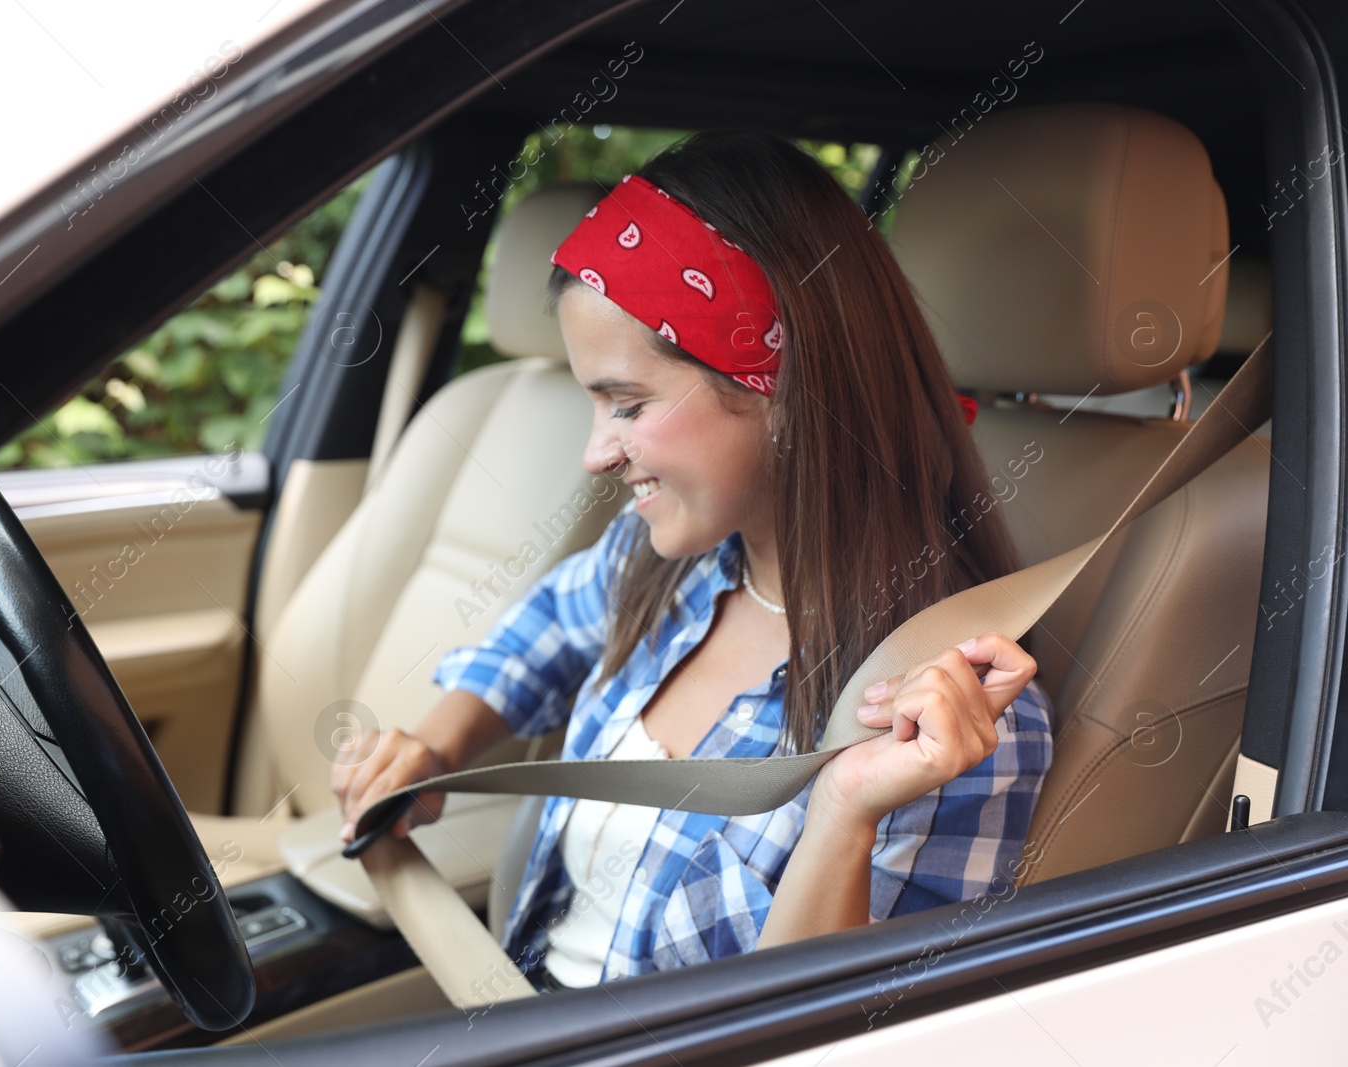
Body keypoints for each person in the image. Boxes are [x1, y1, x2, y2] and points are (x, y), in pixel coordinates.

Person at [332, 129, 1053, 991]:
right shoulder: (660, 564)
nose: (596, 453)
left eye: (627, 404)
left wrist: (844, 811)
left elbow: (846, 1033)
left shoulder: (950, 718)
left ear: (781, 388)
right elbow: (547, 629)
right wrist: (433, 747)